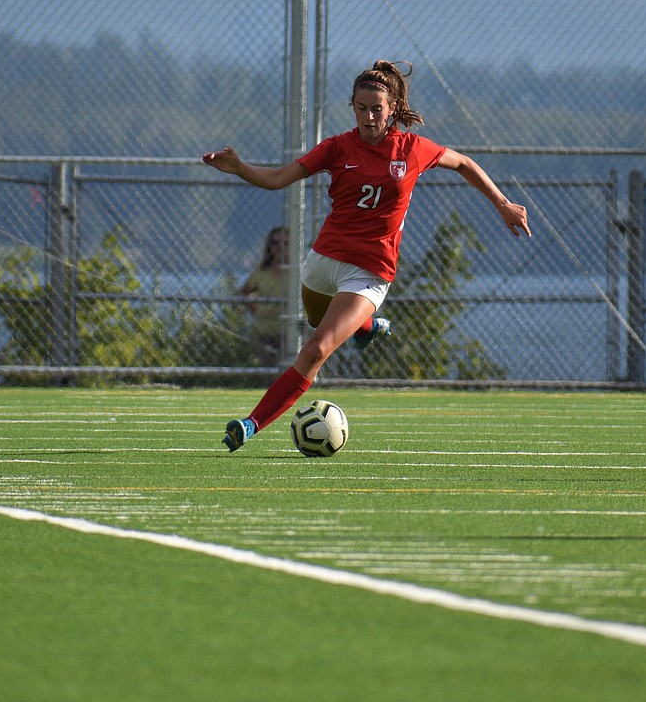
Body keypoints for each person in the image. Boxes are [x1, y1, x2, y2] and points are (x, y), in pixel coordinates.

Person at [204, 59, 531, 451]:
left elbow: (462, 162)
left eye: (378, 108)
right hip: (323, 263)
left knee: (317, 348)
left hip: (369, 274)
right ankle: (367, 327)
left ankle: (251, 423)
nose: (370, 116)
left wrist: (502, 203)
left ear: (392, 108)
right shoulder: (338, 147)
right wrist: (240, 168)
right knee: (317, 321)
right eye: (362, 108)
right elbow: (277, 179)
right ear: (353, 107)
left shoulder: (411, 149)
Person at [240, 226, 287, 368]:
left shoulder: (299, 271)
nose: (279, 247)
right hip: (265, 332)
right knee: (270, 372)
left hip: (291, 333)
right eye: (274, 243)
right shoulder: (262, 272)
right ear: (269, 246)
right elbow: (244, 291)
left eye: (285, 243)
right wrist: (256, 311)